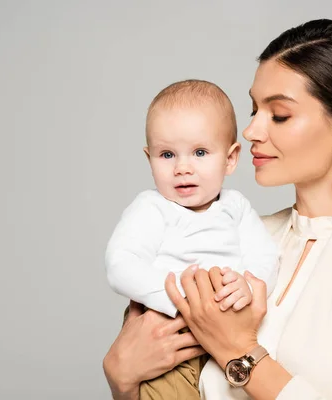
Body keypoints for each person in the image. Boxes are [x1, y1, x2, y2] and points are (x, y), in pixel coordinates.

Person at [103, 18, 332, 400]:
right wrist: (122, 380)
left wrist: (239, 351)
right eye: (254, 109)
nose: (251, 130)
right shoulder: (240, 238)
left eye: (279, 114)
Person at [104, 79, 280, 399]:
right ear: (149, 159)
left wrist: (247, 286)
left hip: (227, 331)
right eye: (167, 154)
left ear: (230, 158)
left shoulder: (235, 207)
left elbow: (265, 257)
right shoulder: (152, 208)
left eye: (200, 152)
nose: (183, 168)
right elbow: (121, 265)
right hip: (168, 334)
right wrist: (181, 301)